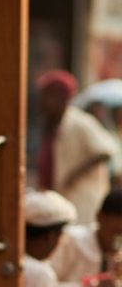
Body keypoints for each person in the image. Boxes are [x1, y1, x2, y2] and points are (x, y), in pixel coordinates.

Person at [35, 70, 118, 224]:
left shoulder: (80, 122)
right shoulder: (53, 125)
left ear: (61, 98)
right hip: (63, 198)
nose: (43, 102)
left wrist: (74, 173)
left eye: (48, 96)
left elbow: (106, 151)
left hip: (82, 201)